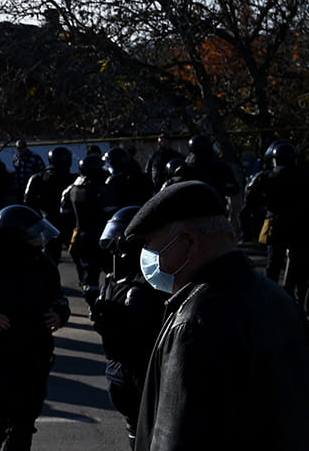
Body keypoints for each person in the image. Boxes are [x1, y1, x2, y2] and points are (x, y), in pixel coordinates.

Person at [124, 180, 309, 449]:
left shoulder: (193, 323)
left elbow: (174, 438)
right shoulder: (277, 297)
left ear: (189, 243)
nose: (147, 257)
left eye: (152, 245)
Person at [0, 205, 69, 451]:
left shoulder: (42, 263)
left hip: (32, 358)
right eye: (32, 235)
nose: (38, 240)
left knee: (22, 431)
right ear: (15, 238)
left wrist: (59, 314)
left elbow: (59, 297)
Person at [89, 206, 165, 449]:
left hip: (144, 369)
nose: (115, 249)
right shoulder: (115, 279)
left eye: (120, 242)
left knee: (156, 432)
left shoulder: (156, 280)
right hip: (122, 368)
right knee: (137, 429)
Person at [245, 142, 309, 307]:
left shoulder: (266, 176)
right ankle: (300, 299)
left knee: (273, 265)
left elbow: (250, 198)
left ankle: (269, 300)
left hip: (275, 224)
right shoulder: (303, 174)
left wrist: (258, 211)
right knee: (299, 265)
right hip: (300, 225)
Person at [60, 157, 109, 311]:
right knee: (102, 270)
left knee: (85, 271)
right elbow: (109, 211)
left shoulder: (71, 188)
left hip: (78, 234)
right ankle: (97, 303)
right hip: (98, 235)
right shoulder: (100, 188)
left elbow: (64, 212)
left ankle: (91, 301)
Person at [23, 147, 76, 264]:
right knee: (80, 260)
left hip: (48, 223)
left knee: (49, 260)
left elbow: (28, 202)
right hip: (68, 223)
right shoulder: (74, 179)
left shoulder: (38, 178)